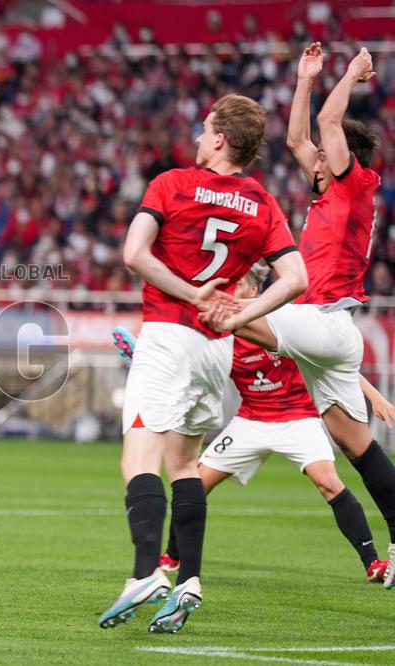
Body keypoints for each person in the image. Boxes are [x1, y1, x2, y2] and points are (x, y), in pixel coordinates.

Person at [99, 94, 308, 634]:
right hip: (216, 349)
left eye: (204, 129)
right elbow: (296, 279)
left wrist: (193, 295)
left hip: (169, 332)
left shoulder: (171, 183)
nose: (197, 136)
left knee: (139, 454)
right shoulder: (263, 202)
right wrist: (240, 314)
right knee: (186, 465)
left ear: (219, 139)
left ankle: (147, 572)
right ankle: (188, 579)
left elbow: (135, 255)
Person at [206, 46, 395, 590]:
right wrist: (305, 78)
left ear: (340, 158)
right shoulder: (331, 190)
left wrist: (352, 73)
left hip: (323, 319)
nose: (309, 159)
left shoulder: (354, 182)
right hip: (328, 333)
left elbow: (329, 122)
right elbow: (296, 137)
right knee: (357, 446)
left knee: (230, 312)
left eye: (321, 156)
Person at [114, 263, 394, 584]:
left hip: (297, 418)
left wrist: (374, 396)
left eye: (237, 284)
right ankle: (173, 556)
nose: (231, 290)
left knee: (329, 482)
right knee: (196, 481)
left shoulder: (279, 321)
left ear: (254, 289)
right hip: (250, 420)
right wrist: (147, 357)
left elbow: (333, 360)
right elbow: (190, 362)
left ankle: (372, 563)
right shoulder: (224, 330)